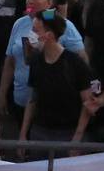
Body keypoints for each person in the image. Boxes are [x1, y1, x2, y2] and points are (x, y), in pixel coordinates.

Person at [17, 10, 95, 145]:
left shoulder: (75, 63)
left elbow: (87, 102)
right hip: (39, 132)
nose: (31, 34)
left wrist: (77, 137)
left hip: (67, 134)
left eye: (35, 30)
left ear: (49, 35)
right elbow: (32, 99)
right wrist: (23, 134)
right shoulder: (36, 60)